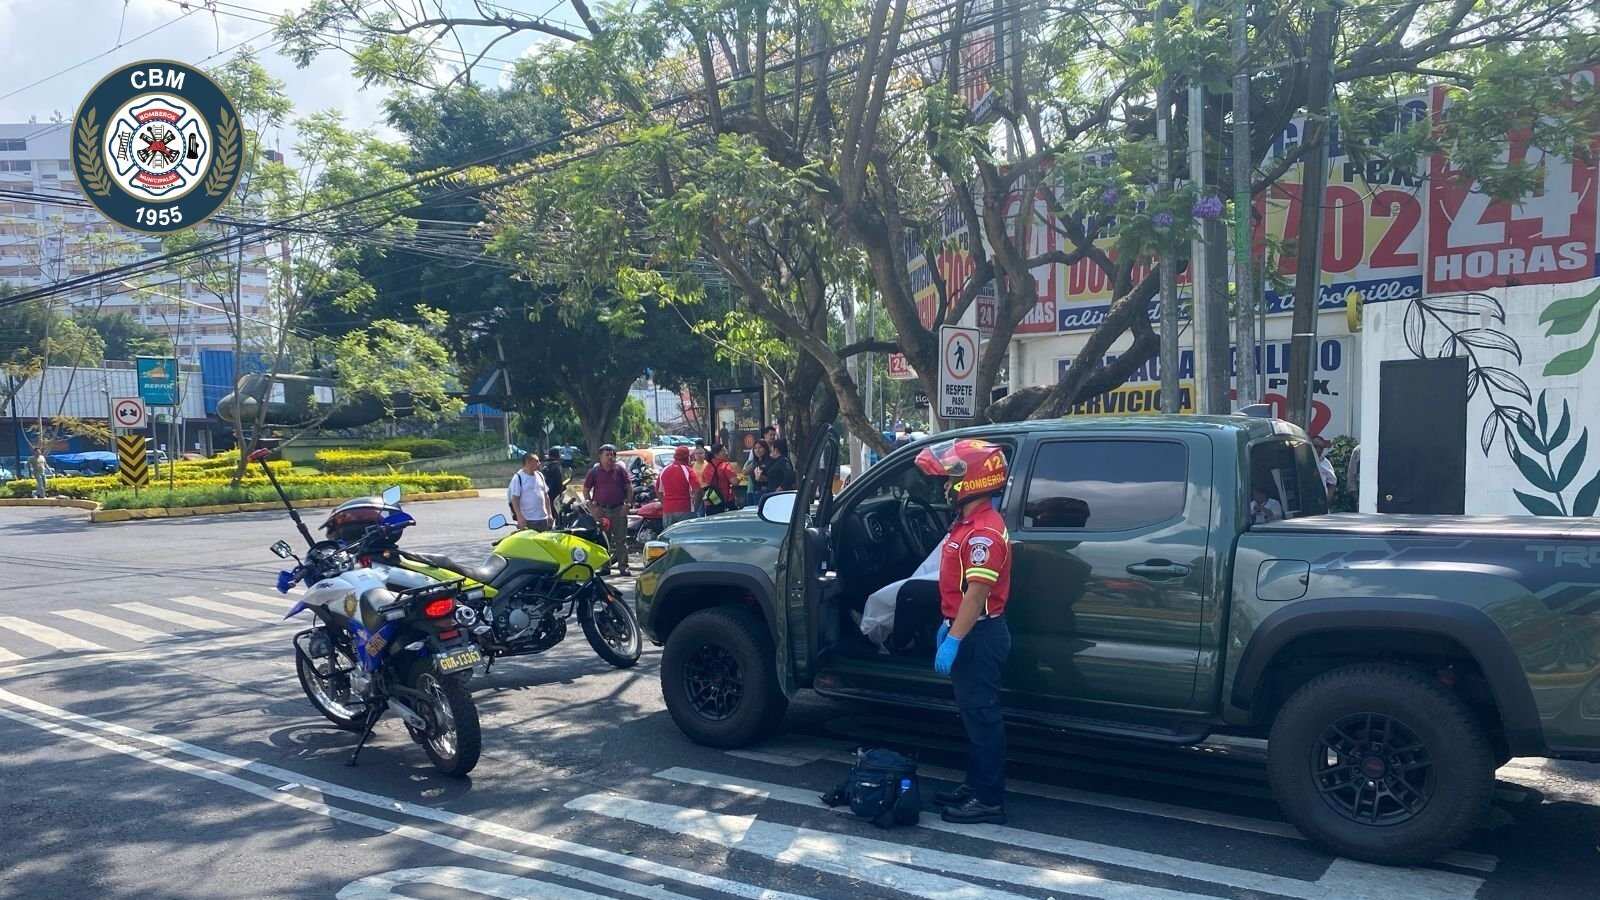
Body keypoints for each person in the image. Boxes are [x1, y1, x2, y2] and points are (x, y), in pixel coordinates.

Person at [917, 438, 1013, 825]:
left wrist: (955, 638)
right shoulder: (968, 525)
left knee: (983, 717)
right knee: (973, 717)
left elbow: (976, 595)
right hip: (969, 631)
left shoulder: (984, 533)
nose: (945, 486)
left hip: (979, 636)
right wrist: (949, 627)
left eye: (952, 478)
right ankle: (975, 786)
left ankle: (989, 799)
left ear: (972, 481)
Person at [583, 444, 634, 574]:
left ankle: (624, 567)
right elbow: (586, 490)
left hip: (618, 510)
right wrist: (591, 507)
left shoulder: (620, 470)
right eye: (607, 455)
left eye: (612, 455)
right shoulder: (594, 472)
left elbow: (629, 487)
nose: (610, 457)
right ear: (600, 457)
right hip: (601, 511)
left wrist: (627, 504)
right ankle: (605, 567)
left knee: (621, 540)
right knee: (604, 540)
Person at [507, 452, 552, 532]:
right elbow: (515, 499)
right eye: (537, 461)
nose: (539, 463)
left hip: (543, 519)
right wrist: (519, 517)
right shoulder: (518, 478)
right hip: (528, 520)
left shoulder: (540, 475)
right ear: (528, 462)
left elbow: (546, 496)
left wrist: (549, 514)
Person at [658, 445, 700, 528]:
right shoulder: (688, 470)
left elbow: (659, 492)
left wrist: (666, 504)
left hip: (668, 511)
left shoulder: (664, 470)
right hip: (685, 509)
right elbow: (698, 491)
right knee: (685, 537)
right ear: (687, 457)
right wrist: (695, 507)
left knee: (669, 537)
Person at [704, 443, 738, 514]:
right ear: (716, 454)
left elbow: (705, 483)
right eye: (723, 451)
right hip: (725, 500)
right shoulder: (725, 466)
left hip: (711, 499)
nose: (726, 453)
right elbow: (734, 482)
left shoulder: (707, 467)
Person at [744, 439, 771, 508]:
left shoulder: (770, 461)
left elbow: (771, 478)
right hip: (753, 491)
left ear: (765, 449)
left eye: (760, 448)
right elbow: (745, 472)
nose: (757, 450)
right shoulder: (754, 462)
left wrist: (761, 478)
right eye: (755, 448)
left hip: (765, 492)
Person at [543, 448, 568, 520]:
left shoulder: (545, 465)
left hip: (545, 492)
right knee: (556, 514)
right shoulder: (556, 466)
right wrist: (562, 489)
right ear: (557, 455)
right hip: (554, 494)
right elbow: (558, 481)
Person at [689, 445, 713, 517]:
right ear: (694, 455)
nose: (699, 455)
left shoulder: (708, 465)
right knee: (697, 510)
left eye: (701, 453)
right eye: (697, 453)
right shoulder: (692, 465)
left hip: (706, 490)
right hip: (696, 491)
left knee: (708, 508)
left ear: (704, 454)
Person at [1313, 436, 1337, 502]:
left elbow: (1332, 483)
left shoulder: (1325, 463)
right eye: (1315, 446)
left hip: (1321, 503)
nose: (1318, 450)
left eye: (1321, 448)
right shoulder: (1302, 460)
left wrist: (1327, 500)